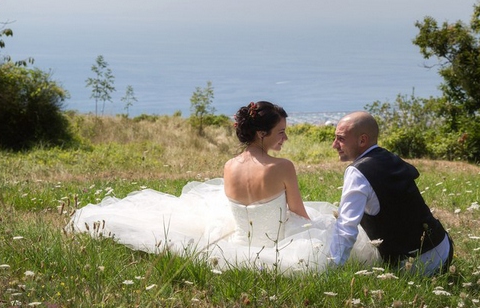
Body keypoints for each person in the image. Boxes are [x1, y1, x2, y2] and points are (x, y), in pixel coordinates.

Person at [66, 101, 380, 273]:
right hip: (278, 244)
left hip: (242, 242)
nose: (285, 138)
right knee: (340, 230)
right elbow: (298, 214)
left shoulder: (229, 166)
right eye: (281, 132)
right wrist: (324, 228)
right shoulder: (282, 167)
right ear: (261, 133)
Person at [328, 111, 453, 276]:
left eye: (341, 139)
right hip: (443, 251)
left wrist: (330, 271)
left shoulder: (357, 172)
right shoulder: (389, 157)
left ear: (362, 140)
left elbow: (346, 226)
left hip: (415, 265)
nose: (334, 145)